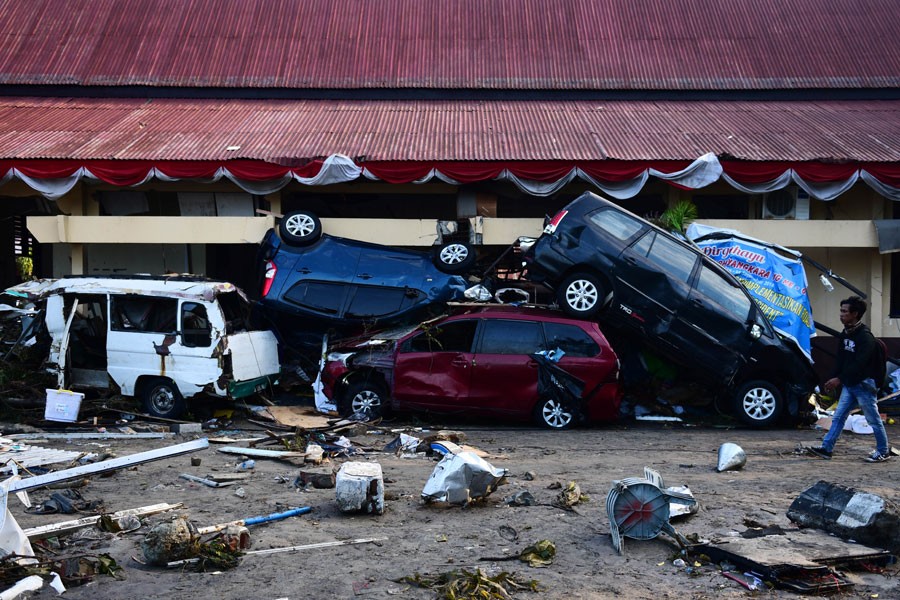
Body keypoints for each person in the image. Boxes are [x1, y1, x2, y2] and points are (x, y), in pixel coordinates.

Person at [808, 296, 891, 462]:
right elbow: (841, 360)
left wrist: (838, 379)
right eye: (841, 311)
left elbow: (860, 364)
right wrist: (833, 377)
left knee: (873, 420)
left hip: (865, 385)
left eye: (844, 312)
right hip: (850, 384)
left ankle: (883, 451)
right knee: (838, 417)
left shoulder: (865, 337)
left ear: (855, 314)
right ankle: (826, 448)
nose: (841, 315)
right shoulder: (845, 334)